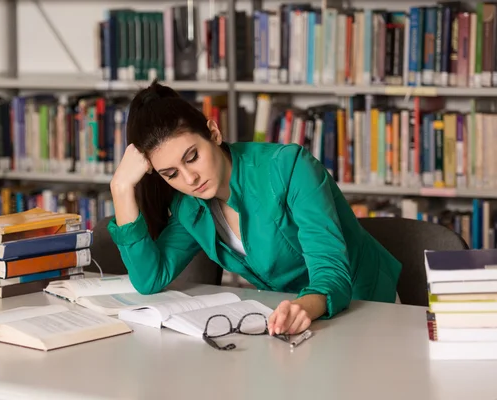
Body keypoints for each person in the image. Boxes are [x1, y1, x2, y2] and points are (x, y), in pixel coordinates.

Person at [107, 80, 402, 336]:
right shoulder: (189, 207)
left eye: (192, 156)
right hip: (292, 323)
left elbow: (332, 273)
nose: (189, 178)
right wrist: (120, 189)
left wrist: (302, 307)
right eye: (170, 174)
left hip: (368, 308)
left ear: (213, 133)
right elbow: (149, 279)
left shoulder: (288, 167)